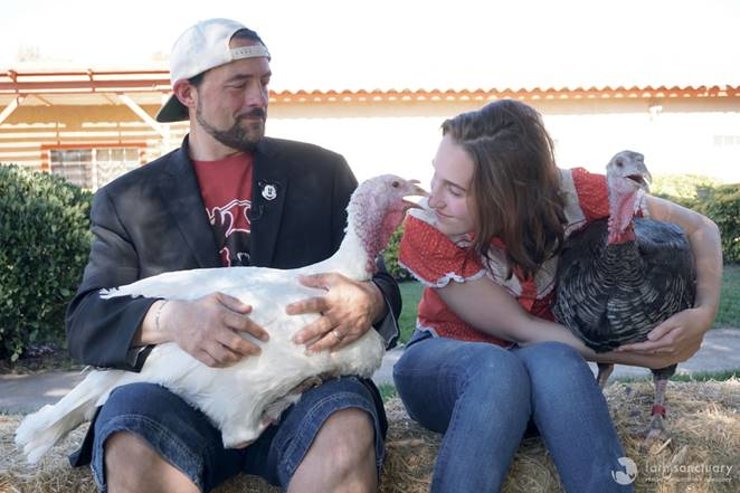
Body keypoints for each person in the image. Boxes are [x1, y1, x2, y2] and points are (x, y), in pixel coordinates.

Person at [65, 18, 401, 493]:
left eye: (264, 82)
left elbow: (384, 286)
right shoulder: (128, 200)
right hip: (178, 402)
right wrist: (173, 318)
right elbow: (87, 320)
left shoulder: (323, 174)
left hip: (302, 400)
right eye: (239, 84)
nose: (258, 98)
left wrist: (369, 300)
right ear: (187, 94)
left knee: (346, 428)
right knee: (128, 433)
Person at [393, 100, 722, 492]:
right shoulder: (429, 229)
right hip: (443, 367)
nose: (433, 199)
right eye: (436, 177)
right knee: (498, 369)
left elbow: (701, 229)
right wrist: (652, 353)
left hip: (533, 369)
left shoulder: (573, 194)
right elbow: (521, 327)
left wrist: (702, 314)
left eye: (455, 189)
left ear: (508, 195)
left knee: (558, 361)